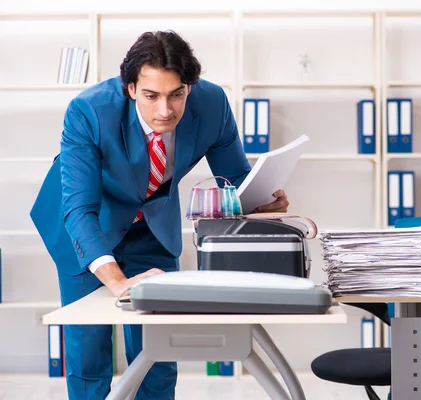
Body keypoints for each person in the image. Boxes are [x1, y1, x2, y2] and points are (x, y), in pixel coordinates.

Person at [30, 30, 289, 400]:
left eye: (177, 94)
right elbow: (80, 207)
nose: (165, 110)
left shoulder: (212, 104)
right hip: (87, 225)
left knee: (158, 352)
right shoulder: (90, 111)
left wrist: (263, 200)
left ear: (190, 86)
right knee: (89, 352)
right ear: (131, 88)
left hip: (151, 226)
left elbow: (235, 179)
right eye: (151, 96)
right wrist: (117, 281)